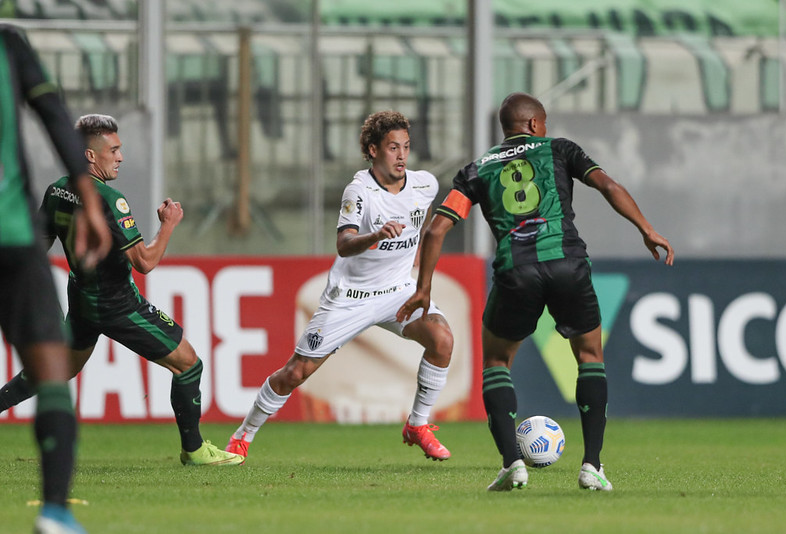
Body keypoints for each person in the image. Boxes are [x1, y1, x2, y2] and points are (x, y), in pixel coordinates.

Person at [398, 92, 674, 492]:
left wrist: (424, 287)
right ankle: (592, 466)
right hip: (567, 264)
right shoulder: (560, 150)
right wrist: (646, 229)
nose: (545, 129)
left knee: (496, 361)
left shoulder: (477, 169)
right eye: (543, 122)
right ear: (532, 125)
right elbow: (608, 185)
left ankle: (512, 464)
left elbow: (437, 228)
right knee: (590, 355)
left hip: (516, 270)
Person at [0, 114, 244, 470]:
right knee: (189, 365)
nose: (120, 157)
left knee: (59, 368)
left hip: (82, 296)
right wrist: (168, 226)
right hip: (116, 303)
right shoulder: (111, 200)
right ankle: (194, 451)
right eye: (113, 150)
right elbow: (144, 262)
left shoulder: (57, 190)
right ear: (90, 156)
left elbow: (39, 244)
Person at [225, 110, 454, 461]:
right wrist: (375, 235)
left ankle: (417, 424)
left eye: (406, 146)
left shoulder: (425, 184)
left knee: (442, 340)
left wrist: (415, 262)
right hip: (351, 297)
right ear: (373, 150)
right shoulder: (358, 191)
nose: (402, 155)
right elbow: (344, 244)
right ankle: (242, 436)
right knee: (295, 373)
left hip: (397, 291)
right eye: (393, 147)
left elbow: (422, 226)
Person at [0, 24, 112, 534]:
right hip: (12, 234)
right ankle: (54, 512)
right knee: (50, 370)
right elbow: (53, 115)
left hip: (21, 235)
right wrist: (89, 197)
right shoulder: (9, 44)